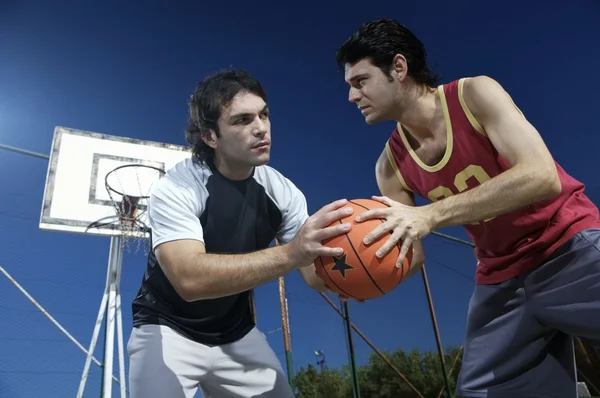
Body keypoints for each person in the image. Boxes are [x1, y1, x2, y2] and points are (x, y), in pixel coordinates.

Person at [335, 18, 600, 398]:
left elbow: (542, 175)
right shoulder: (389, 167)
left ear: (398, 67)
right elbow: (411, 253)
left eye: (359, 81)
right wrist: (363, 275)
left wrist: (429, 214)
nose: (351, 96)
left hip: (566, 246)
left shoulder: (473, 95)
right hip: (502, 278)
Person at [126, 68, 353, 398]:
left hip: (235, 333)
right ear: (210, 136)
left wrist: (346, 278)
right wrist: (292, 253)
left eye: (264, 114)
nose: (260, 128)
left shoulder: (282, 192)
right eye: (242, 120)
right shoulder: (176, 188)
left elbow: (312, 272)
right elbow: (189, 280)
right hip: (166, 329)